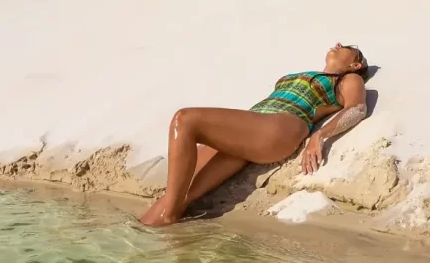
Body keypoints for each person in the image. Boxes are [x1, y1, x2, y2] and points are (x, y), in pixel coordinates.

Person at [139, 43, 369, 227]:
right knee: (174, 199)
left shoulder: (348, 79)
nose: (337, 44)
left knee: (185, 120)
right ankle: (152, 257)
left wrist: (320, 134)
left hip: (282, 125)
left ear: (356, 64)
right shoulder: (305, 73)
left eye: (347, 46)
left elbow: (357, 108)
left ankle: (166, 224)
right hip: (253, 126)